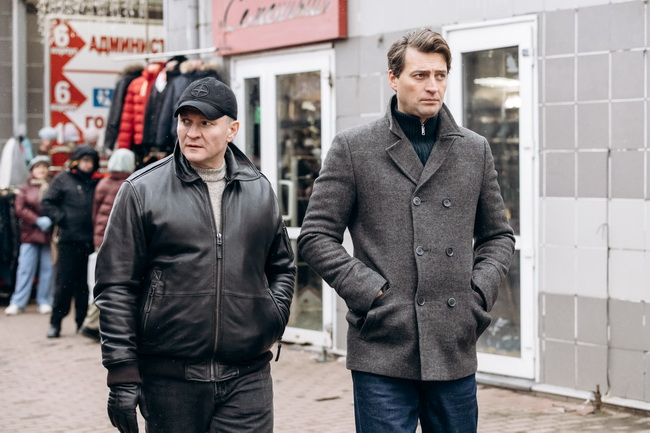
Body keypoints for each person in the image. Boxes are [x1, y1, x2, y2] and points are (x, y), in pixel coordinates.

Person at [298, 28, 516, 433]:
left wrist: (477, 294)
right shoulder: (354, 147)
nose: (433, 86)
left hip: (452, 341)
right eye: (420, 75)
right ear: (393, 79)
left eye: (440, 75)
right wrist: (371, 293)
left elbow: (498, 236)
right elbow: (315, 236)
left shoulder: (474, 149)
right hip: (383, 342)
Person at [94, 76, 296, 433]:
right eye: (185, 121)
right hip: (171, 381)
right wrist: (122, 372)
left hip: (248, 377)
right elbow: (116, 286)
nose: (192, 133)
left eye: (205, 123)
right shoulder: (141, 190)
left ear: (232, 130)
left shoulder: (259, 189)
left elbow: (281, 266)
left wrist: (273, 315)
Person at [41, 145, 101, 338]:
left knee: (84, 285)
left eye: (91, 161)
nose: (88, 165)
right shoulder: (63, 179)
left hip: (88, 241)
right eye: (85, 160)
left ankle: (81, 322)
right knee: (64, 284)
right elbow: (47, 202)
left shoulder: (97, 182)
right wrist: (61, 218)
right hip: (69, 241)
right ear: (76, 161)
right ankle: (55, 323)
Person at [78, 148, 136, 342]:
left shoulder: (103, 183)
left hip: (101, 239)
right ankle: (93, 324)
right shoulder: (131, 184)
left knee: (103, 282)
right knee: (115, 284)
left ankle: (94, 324)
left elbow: (95, 214)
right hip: (119, 241)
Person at [4, 155, 54, 315]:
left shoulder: (52, 186)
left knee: (48, 270)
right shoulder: (25, 188)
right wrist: (36, 220)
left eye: (44, 167)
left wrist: (52, 219)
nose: (41, 170)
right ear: (32, 170)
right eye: (38, 167)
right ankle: (18, 301)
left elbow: (57, 205)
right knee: (25, 269)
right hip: (30, 234)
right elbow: (19, 208)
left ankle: (44, 300)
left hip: (48, 235)